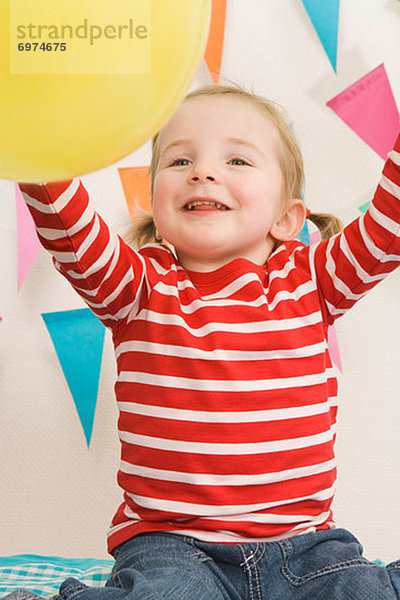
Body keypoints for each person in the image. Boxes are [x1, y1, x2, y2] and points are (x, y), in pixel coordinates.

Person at [11, 84, 400, 599]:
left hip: (306, 549)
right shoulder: (137, 287)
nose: (203, 171)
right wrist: (34, 135)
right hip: (174, 549)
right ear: (154, 201)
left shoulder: (313, 280)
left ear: (287, 218)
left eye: (237, 159)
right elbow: (69, 229)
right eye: (178, 161)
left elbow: (388, 226)